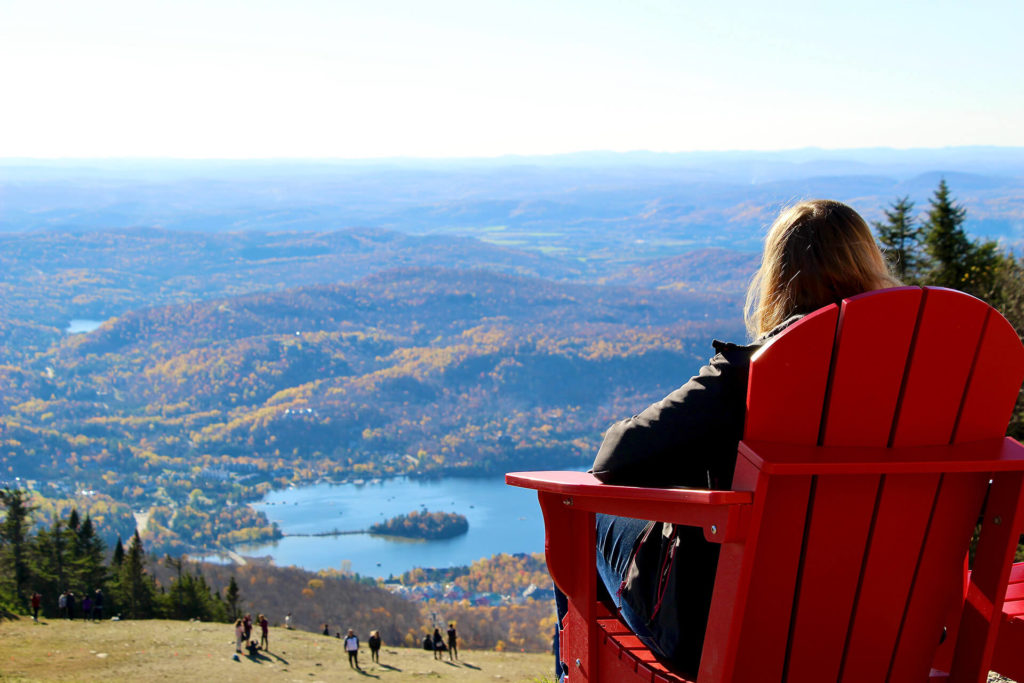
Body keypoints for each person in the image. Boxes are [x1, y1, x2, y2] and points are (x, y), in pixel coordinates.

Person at [571, 200, 900, 676]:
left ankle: (579, 669)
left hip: (725, 633)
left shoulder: (745, 376)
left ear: (777, 277)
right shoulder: (924, 376)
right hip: (882, 624)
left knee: (576, 511)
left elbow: (615, 457)